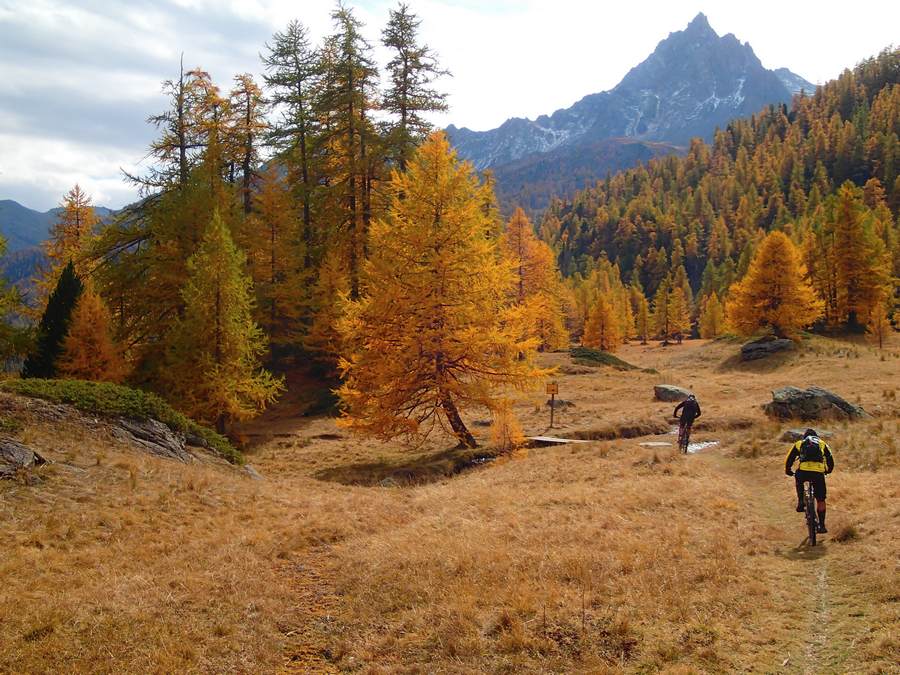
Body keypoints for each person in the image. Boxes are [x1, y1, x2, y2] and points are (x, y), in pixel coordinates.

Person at [785, 428, 835, 533]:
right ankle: (822, 526)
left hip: (803, 471)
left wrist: (788, 470)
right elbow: (830, 459)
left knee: (799, 479)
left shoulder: (800, 443)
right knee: (821, 499)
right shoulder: (822, 443)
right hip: (818, 473)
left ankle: (801, 501)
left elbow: (789, 458)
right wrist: (828, 470)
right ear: (817, 436)